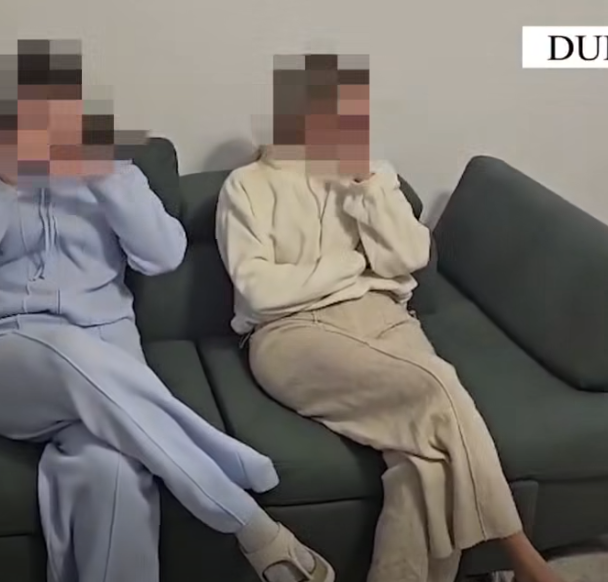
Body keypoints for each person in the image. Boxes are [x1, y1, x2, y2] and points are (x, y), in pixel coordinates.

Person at [0, 40, 335, 582]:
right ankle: (245, 517)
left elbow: (164, 255)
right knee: (64, 350)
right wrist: (3, 184)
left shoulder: (114, 174)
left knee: (112, 471)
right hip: (8, 361)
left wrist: (103, 175)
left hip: (110, 358)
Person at [215, 53, 566, 582]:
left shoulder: (372, 174)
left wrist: (367, 185)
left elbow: (410, 256)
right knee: (437, 386)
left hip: (385, 318)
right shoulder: (246, 185)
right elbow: (260, 292)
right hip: (292, 334)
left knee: (423, 463)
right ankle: (524, 558)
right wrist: (354, 265)